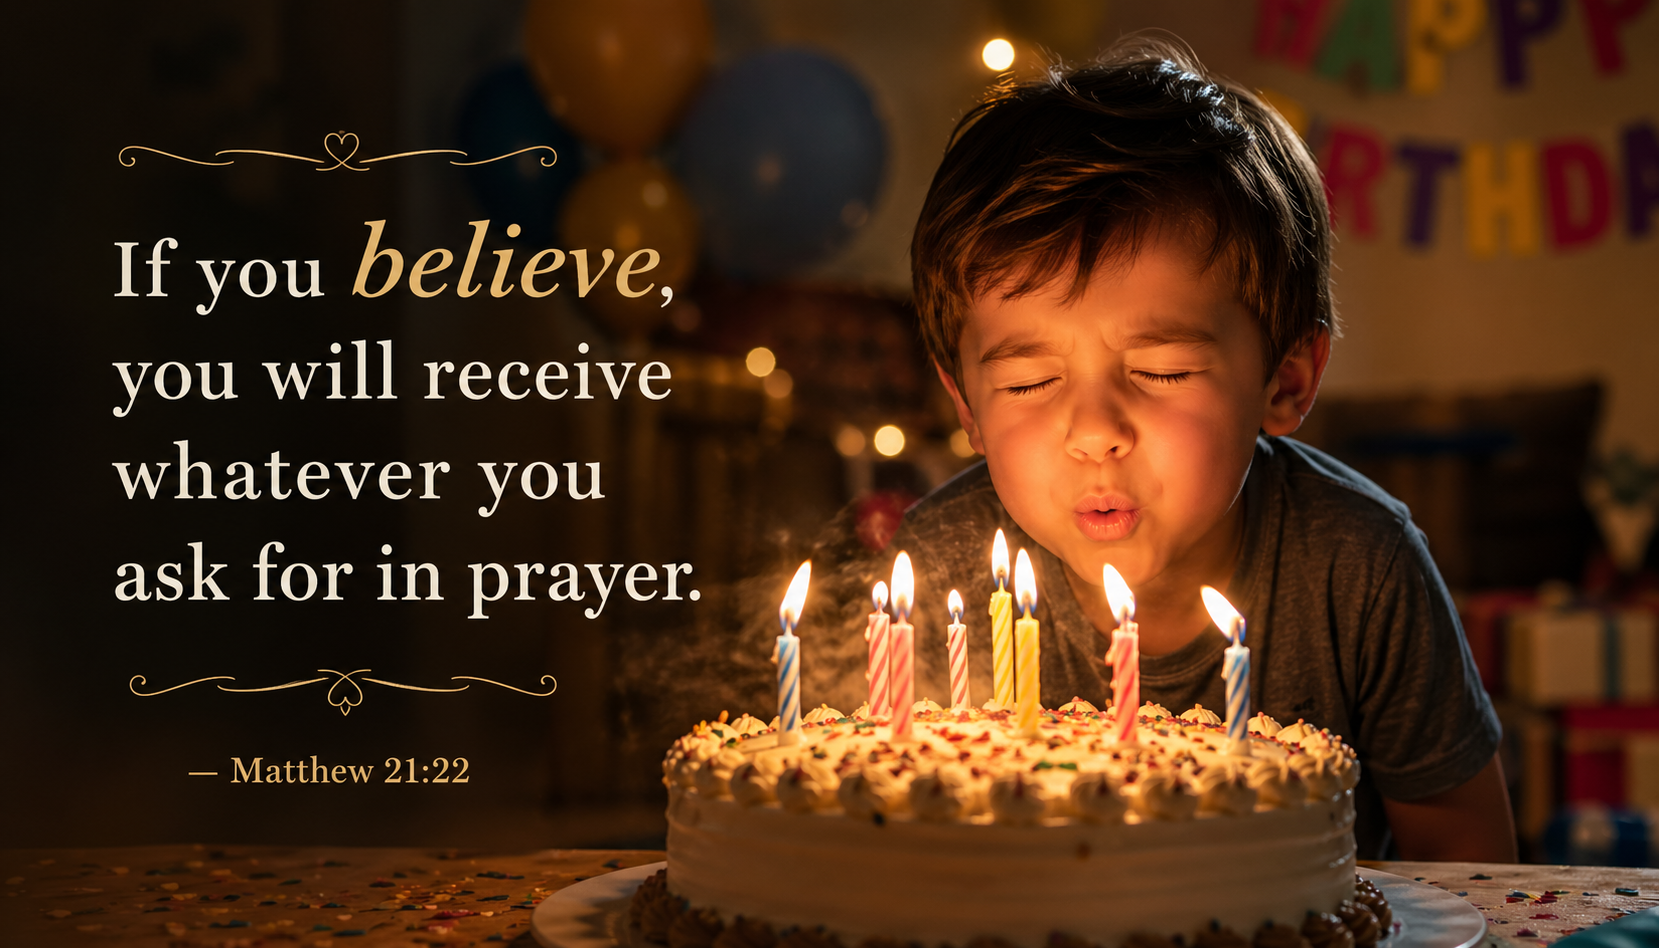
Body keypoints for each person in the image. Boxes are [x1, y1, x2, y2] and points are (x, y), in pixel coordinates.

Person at [785, 37, 1514, 862]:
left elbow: (1464, 849)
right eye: (1027, 382)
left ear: (1284, 382)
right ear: (968, 408)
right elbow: (880, 846)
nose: (1094, 430)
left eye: (1159, 370)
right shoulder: (942, 566)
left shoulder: (1358, 568)